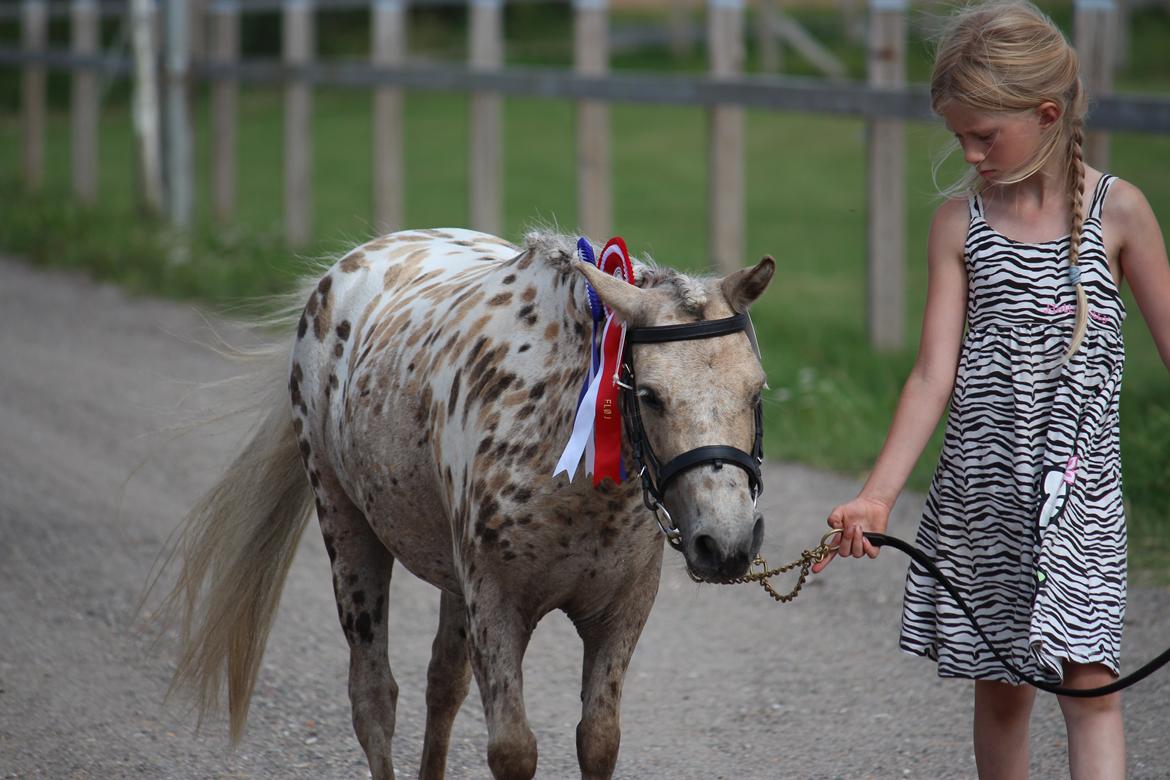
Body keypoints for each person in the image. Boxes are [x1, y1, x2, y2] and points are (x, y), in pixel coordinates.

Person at [810, 2, 1170, 778]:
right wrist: (876, 495)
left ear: (1046, 115)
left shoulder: (1122, 214)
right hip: (983, 499)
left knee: (1092, 689)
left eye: (984, 136)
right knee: (1003, 692)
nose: (970, 155)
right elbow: (932, 375)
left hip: (1082, 499)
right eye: (958, 138)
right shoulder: (958, 226)